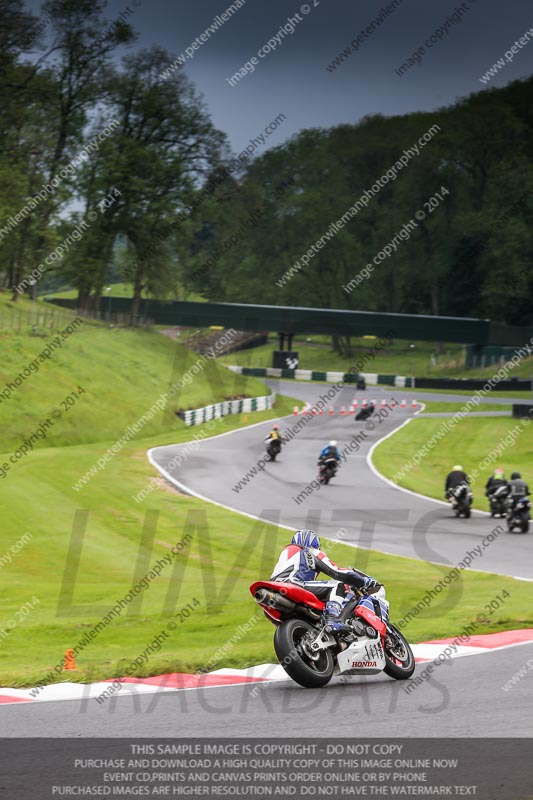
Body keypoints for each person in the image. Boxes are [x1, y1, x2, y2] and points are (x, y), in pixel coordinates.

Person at [270, 529, 386, 633]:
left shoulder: (285, 554)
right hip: (293, 584)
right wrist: (364, 581)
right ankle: (333, 618)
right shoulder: (311, 551)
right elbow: (337, 572)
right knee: (339, 585)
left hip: (274, 588)